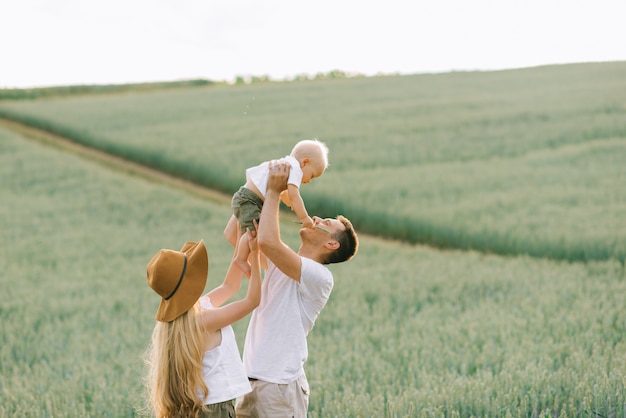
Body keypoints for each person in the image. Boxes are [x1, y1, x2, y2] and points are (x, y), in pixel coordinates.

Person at [235, 160, 359, 418]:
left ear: (332, 245)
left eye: (325, 223)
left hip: (280, 386)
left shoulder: (320, 276)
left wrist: (272, 192)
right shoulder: (284, 265)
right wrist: (252, 193)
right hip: (249, 382)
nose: (315, 218)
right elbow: (239, 237)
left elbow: (269, 242)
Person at [144, 226, 262, 418]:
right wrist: (255, 255)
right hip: (215, 409)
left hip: (200, 407)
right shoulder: (204, 320)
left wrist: (242, 251)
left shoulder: (186, 318)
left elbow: (230, 286)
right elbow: (252, 301)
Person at [225, 139, 330, 277]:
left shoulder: (286, 164)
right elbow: (294, 195)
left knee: (253, 230)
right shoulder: (295, 170)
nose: (309, 181)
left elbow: (285, 194)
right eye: (312, 175)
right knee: (253, 233)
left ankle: (242, 256)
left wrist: (290, 203)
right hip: (250, 199)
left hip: (247, 196)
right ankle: (241, 258)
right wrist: (304, 217)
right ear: (305, 162)